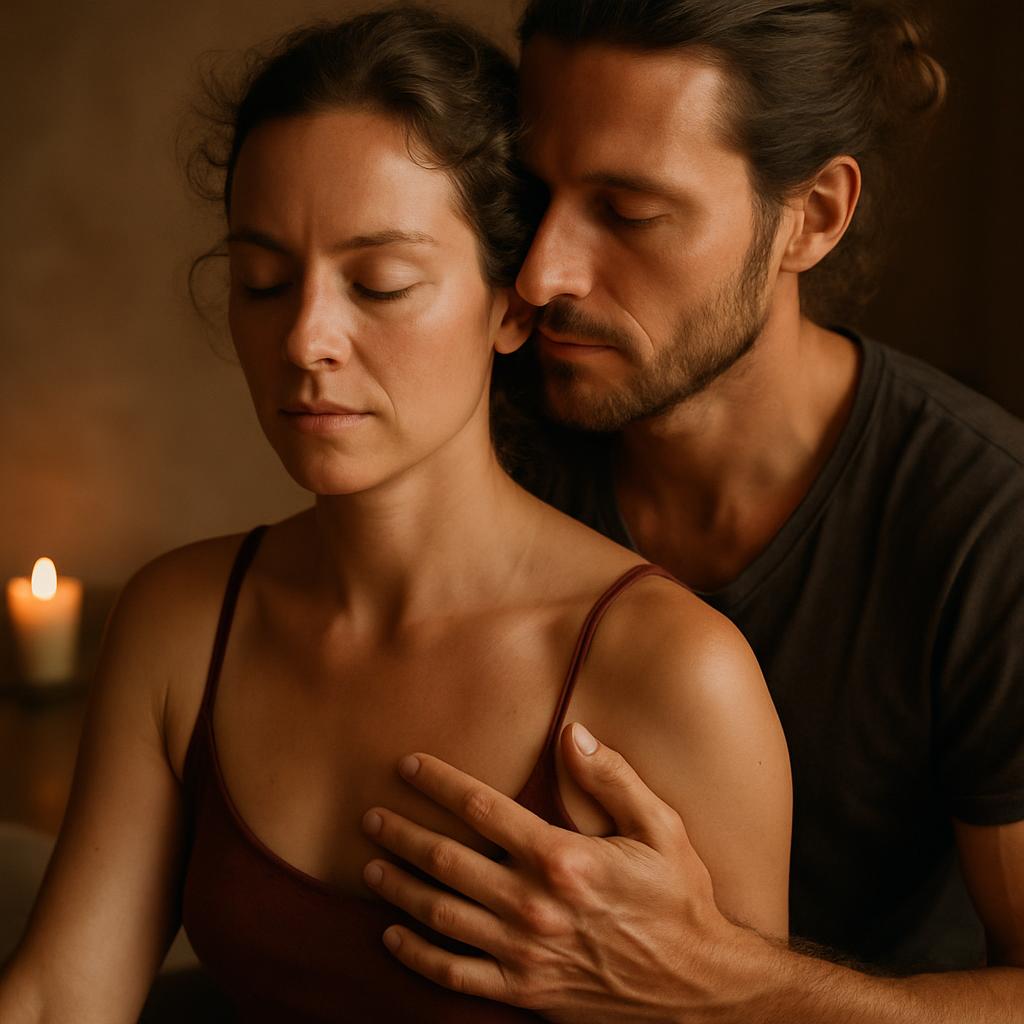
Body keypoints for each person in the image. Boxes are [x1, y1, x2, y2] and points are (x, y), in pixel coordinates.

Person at [0, 6, 792, 1023]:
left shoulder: (672, 673)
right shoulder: (183, 621)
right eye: (263, 280)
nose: (305, 339)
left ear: (512, 305)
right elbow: (63, 995)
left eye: (381, 284)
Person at [363, 1, 1024, 1020]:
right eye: (535, 193)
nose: (542, 273)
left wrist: (723, 979)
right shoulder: (491, 428)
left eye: (627, 213)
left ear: (811, 217)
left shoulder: (986, 524)